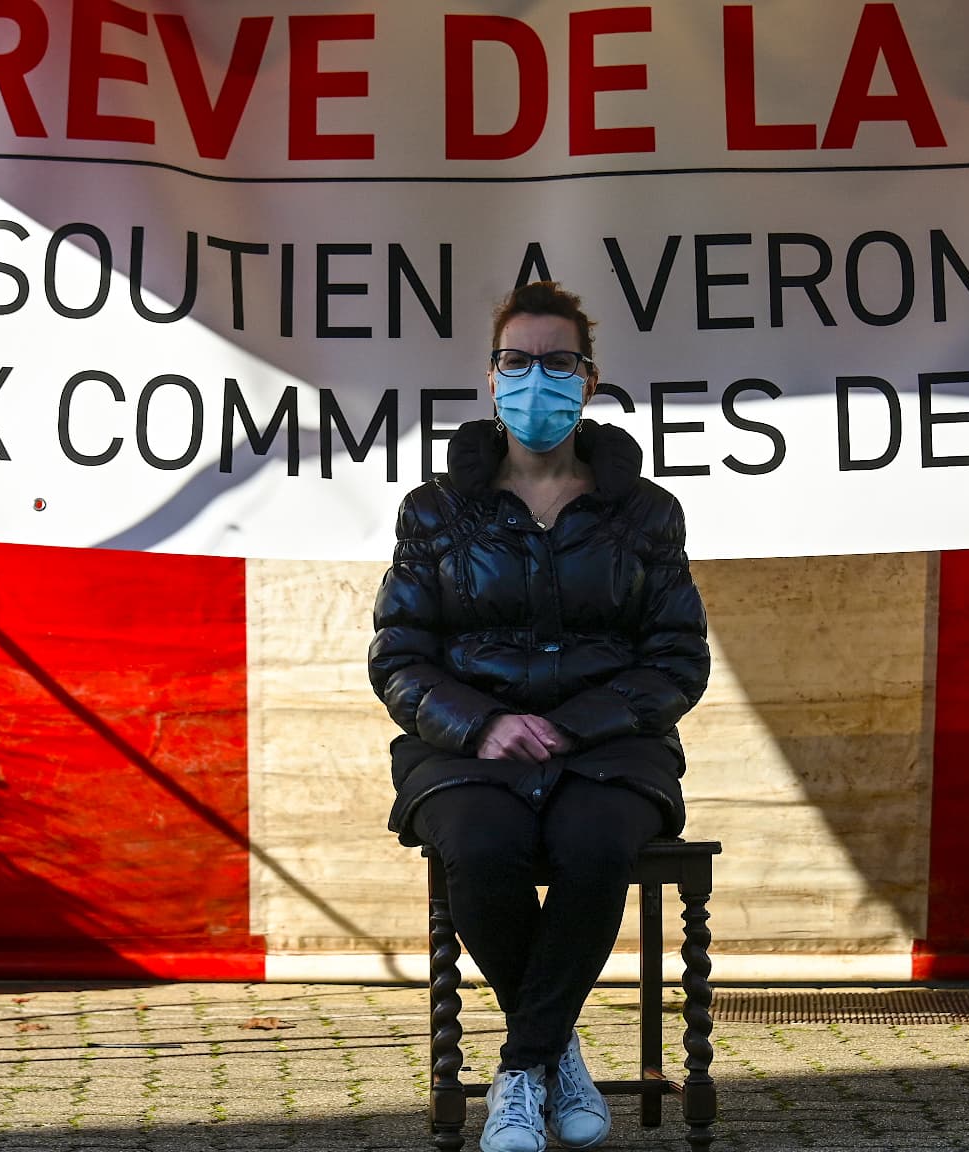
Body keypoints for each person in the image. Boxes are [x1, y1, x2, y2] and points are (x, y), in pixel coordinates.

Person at [368, 281, 710, 1152]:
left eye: (558, 363)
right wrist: (482, 725)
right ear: (491, 378)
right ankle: (557, 1056)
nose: (536, 381)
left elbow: (677, 657)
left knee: (597, 844)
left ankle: (522, 1067)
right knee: (480, 845)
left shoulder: (644, 513)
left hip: (611, 748)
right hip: (466, 747)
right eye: (517, 362)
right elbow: (399, 654)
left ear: (588, 381)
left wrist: (580, 723)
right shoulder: (436, 512)